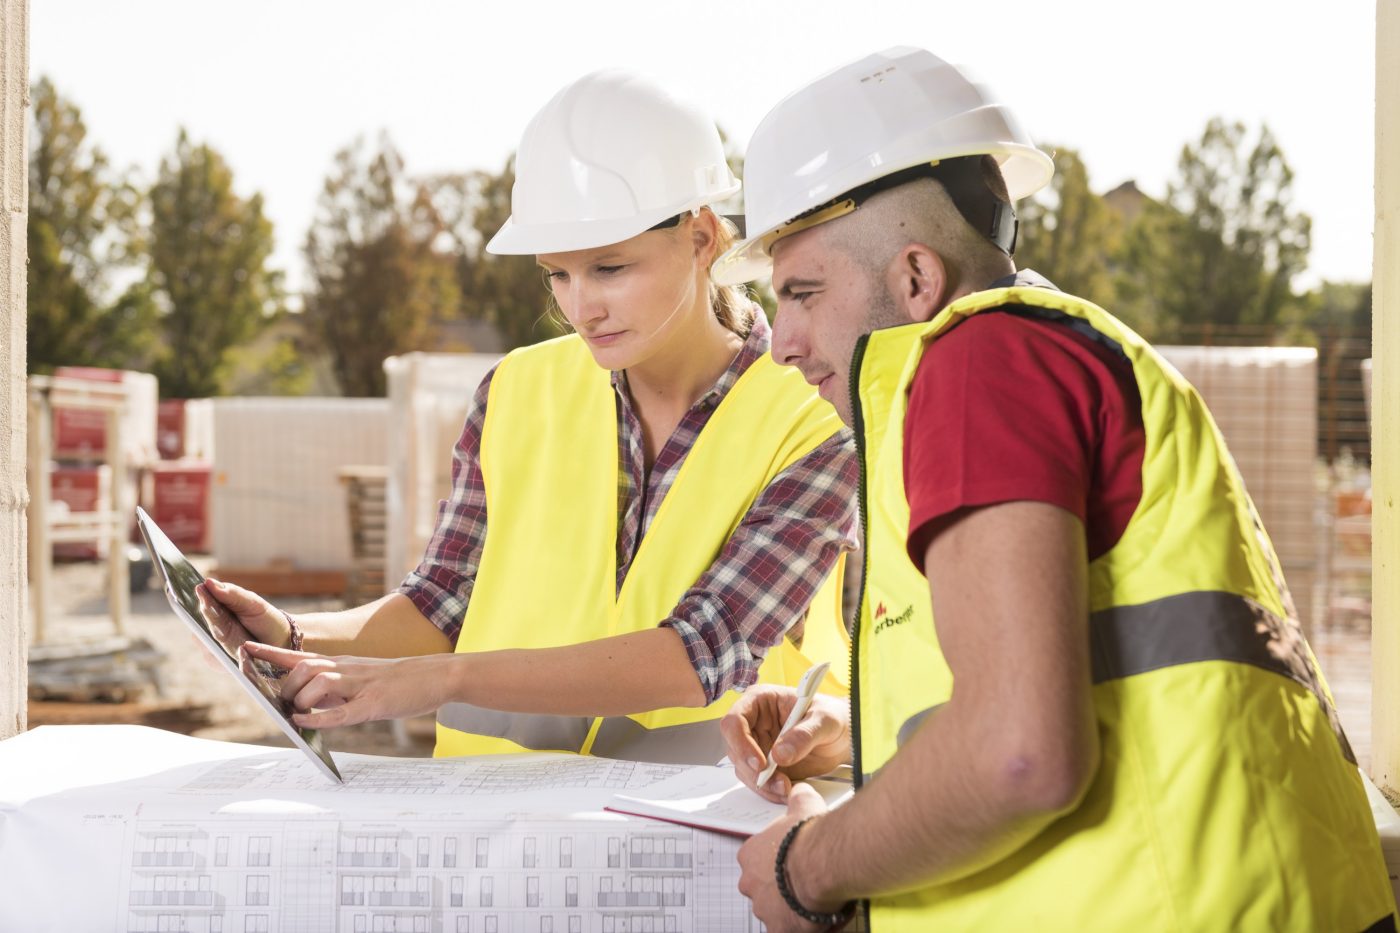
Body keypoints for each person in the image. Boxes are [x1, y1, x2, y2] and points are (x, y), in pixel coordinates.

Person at [714, 46, 1396, 932]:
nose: (782, 341)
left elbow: (1017, 752)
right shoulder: (1052, 354)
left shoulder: (979, 364)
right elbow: (1104, 680)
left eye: (802, 293)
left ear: (916, 277)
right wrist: (868, 736)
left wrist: (807, 865)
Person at [212, 70, 857, 766]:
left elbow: (705, 649)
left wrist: (439, 680)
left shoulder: (816, 416)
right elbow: (441, 604)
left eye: (610, 268)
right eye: (558, 273)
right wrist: (291, 634)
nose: (582, 308)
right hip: (490, 832)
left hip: (700, 840)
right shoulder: (514, 392)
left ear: (702, 238)